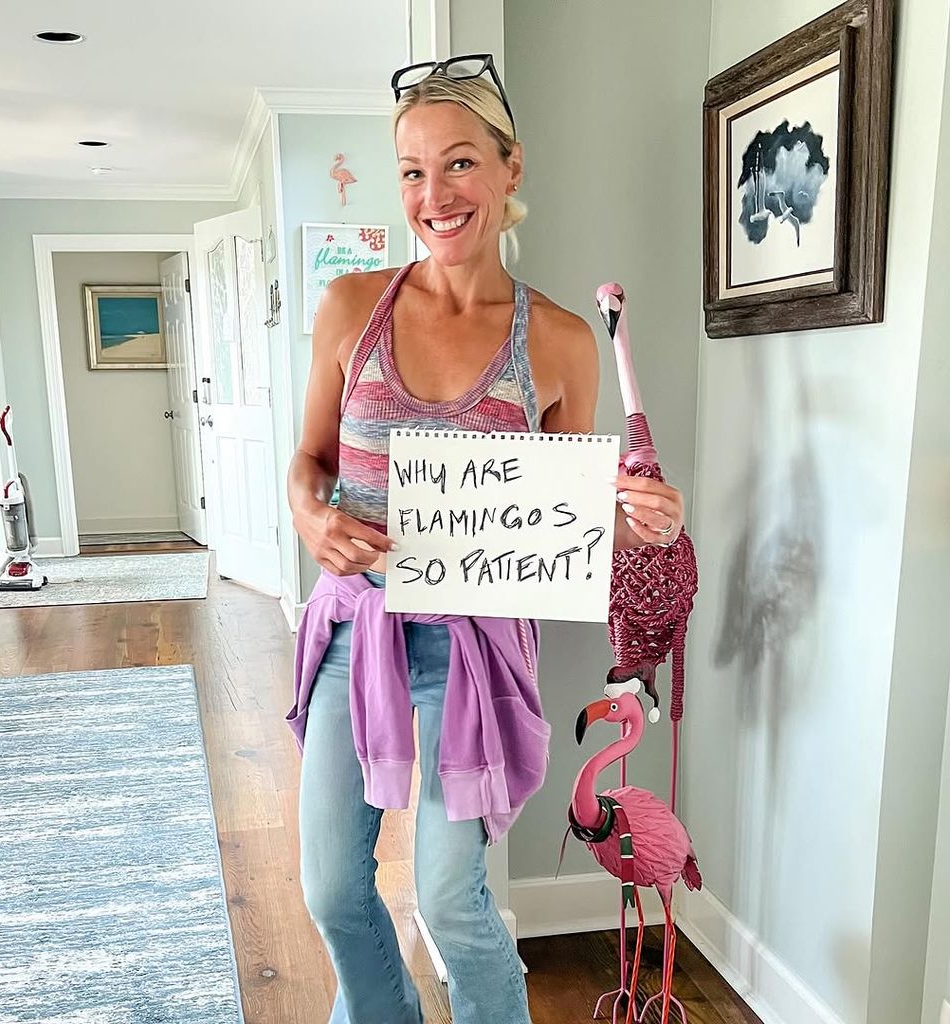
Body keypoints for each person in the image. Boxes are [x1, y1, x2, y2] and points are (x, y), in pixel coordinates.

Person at [285, 54, 685, 1024]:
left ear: (509, 169)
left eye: (459, 163)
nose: (435, 194)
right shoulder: (350, 310)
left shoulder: (555, 340)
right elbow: (306, 460)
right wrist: (312, 517)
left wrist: (634, 516)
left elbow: (563, 512)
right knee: (333, 887)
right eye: (414, 171)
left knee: (449, 899)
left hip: (475, 647)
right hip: (359, 631)